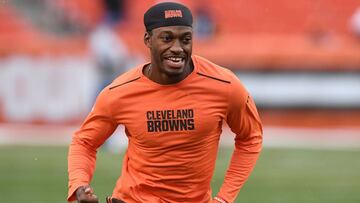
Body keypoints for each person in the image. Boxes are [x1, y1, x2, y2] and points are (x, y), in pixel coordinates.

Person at [67, 2, 263, 203]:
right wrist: (80, 185)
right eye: (167, 38)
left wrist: (224, 198)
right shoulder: (119, 92)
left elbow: (250, 137)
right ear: (148, 40)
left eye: (185, 39)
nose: (177, 48)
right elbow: (84, 142)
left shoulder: (224, 84)